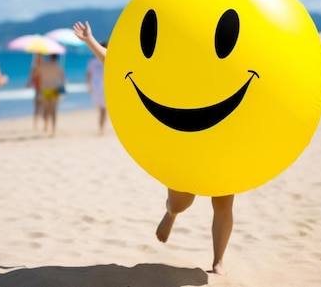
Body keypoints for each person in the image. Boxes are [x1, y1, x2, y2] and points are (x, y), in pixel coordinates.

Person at [73, 21, 233, 275]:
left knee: (223, 203)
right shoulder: (171, 60)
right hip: (182, 142)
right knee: (182, 201)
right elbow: (120, 66)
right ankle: (170, 213)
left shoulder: (227, 62)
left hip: (223, 138)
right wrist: (91, 41)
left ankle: (218, 262)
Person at [32, 53, 66, 136]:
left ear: (49, 56)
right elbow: (63, 81)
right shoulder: (59, 67)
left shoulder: (44, 66)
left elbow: (34, 75)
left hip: (45, 90)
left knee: (45, 110)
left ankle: (46, 125)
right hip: (54, 90)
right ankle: (53, 129)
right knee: (54, 111)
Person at [87, 41, 108, 134]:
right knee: (102, 109)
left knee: (102, 109)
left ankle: (101, 128)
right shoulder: (95, 60)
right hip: (100, 86)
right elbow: (88, 74)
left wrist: (89, 85)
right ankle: (101, 128)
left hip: (98, 85)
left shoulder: (92, 61)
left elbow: (88, 74)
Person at [27, 54, 44, 130]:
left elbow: (30, 82)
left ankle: (37, 125)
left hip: (39, 91)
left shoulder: (35, 69)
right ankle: (42, 125)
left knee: (38, 109)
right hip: (42, 90)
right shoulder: (44, 68)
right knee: (41, 109)